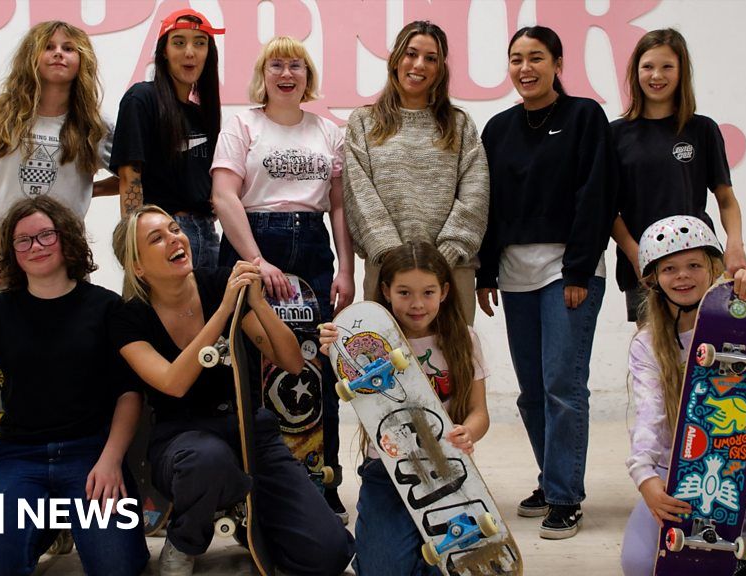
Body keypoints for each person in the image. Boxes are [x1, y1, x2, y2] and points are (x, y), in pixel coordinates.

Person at [109, 206, 355, 576]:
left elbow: (291, 362)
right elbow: (174, 383)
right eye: (156, 238)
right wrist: (225, 310)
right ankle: (185, 540)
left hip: (251, 433)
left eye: (175, 229)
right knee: (207, 460)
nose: (175, 239)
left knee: (330, 554)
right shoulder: (129, 318)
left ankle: (252, 519)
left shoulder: (218, 282)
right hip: (182, 443)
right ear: (138, 267)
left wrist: (256, 303)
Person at [0, 196, 147, 575]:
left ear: (65, 238)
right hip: (19, 457)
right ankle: (46, 524)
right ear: (12, 252)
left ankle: (55, 519)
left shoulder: (106, 307)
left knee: (119, 567)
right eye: (23, 240)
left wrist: (111, 461)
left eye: (45, 235)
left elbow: (129, 393)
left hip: (91, 456)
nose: (35, 246)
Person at [477, 25, 615, 539]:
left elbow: (595, 194)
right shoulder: (497, 128)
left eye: (536, 57)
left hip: (567, 272)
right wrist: (486, 272)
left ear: (558, 62)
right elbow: (488, 206)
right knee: (531, 393)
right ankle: (549, 479)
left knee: (562, 386)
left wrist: (580, 268)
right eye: (516, 59)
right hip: (514, 275)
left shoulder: (585, 117)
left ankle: (564, 496)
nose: (525, 68)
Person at [211, 35, 354, 521]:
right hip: (256, 240)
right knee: (249, 365)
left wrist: (346, 269)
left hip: (312, 244)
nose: (286, 73)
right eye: (277, 65)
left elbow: (338, 206)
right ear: (263, 76)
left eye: (296, 65)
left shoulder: (329, 131)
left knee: (316, 364)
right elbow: (224, 196)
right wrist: (256, 262)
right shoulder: (242, 124)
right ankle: (249, 485)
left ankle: (324, 479)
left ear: (307, 76)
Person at [621, 215, 746, 576]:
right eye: (669, 268)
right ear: (654, 281)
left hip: (744, 463)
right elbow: (650, 415)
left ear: (713, 268)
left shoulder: (744, 321)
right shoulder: (647, 344)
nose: (682, 276)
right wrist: (646, 478)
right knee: (638, 566)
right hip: (676, 472)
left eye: (694, 265)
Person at [320, 241, 490, 575]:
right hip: (385, 472)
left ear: (444, 291)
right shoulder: (366, 344)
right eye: (404, 293)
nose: (417, 304)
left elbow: (479, 412)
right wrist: (334, 347)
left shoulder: (463, 338)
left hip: (447, 472)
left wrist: (468, 432)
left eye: (427, 292)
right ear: (385, 291)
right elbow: (346, 373)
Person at [0, 20, 115, 311]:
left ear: (82, 60)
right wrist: (7, 255)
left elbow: (132, 175)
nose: (58, 54)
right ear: (31, 57)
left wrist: (90, 189)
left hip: (65, 265)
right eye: (48, 47)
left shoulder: (94, 126)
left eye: (68, 48)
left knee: (66, 349)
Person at [343, 20, 489, 323]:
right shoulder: (363, 122)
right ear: (396, 59)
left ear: (440, 68)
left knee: (455, 368)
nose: (419, 64)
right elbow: (359, 195)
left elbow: (475, 194)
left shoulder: (460, 125)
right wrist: (395, 260)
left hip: (451, 272)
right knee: (387, 367)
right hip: (387, 273)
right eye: (411, 54)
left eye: (431, 58)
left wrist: (444, 256)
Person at [612, 28, 746, 323]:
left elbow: (725, 199)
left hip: (698, 262)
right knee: (653, 358)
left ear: (681, 72)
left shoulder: (703, 130)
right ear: (636, 72)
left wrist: (735, 244)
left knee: (705, 355)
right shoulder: (615, 135)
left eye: (667, 67)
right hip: (644, 269)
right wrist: (637, 254)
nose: (656, 75)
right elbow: (608, 210)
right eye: (648, 66)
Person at [111, 8, 224, 270]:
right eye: (179, 42)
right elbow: (131, 176)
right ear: (163, 51)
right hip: (164, 233)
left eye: (200, 43)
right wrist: (135, 244)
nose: (189, 52)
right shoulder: (141, 98)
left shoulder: (201, 114)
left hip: (207, 233)